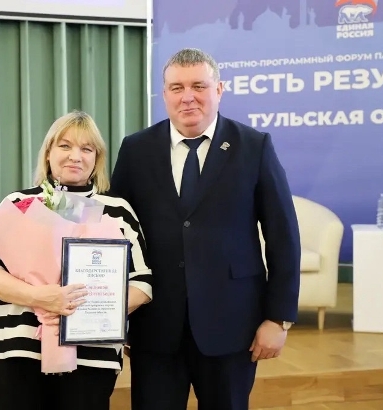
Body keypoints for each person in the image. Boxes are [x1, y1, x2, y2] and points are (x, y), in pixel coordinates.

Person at [110, 48, 301, 409]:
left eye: (198, 86)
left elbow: (283, 236)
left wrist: (278, 318)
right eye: (177, 87)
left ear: (219, 89)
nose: (188, 97)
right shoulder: (136, 149)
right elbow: (116, 234)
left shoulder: (254, 146)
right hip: (154, 327)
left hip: (233, 327)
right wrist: (113, 317)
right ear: (164, 94)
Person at [0, 110, 153, 410]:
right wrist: (39, 297)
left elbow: (142, 284)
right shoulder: (20, 203)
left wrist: (84, 313)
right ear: (48, 153)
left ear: (97, 159)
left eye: (87, 149)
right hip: (19, 348)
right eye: (65, 146)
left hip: (91, 353)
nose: (75, 156)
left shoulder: (117, 211)